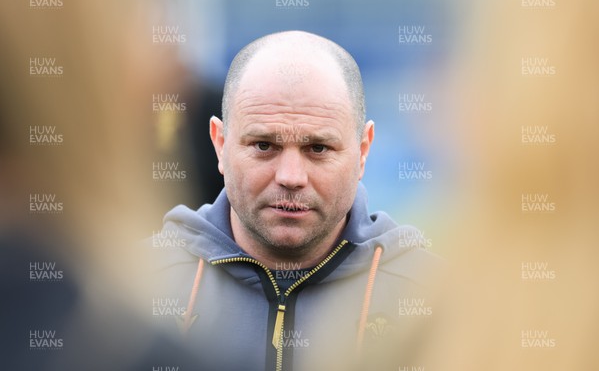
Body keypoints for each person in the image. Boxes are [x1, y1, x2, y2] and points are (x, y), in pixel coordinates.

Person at [151, 30, 441, 371]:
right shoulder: (131, 288)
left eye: (318, 148)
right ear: (220, 145)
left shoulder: (436, 301)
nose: (291, 176)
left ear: (363, 151)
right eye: (264, 145)